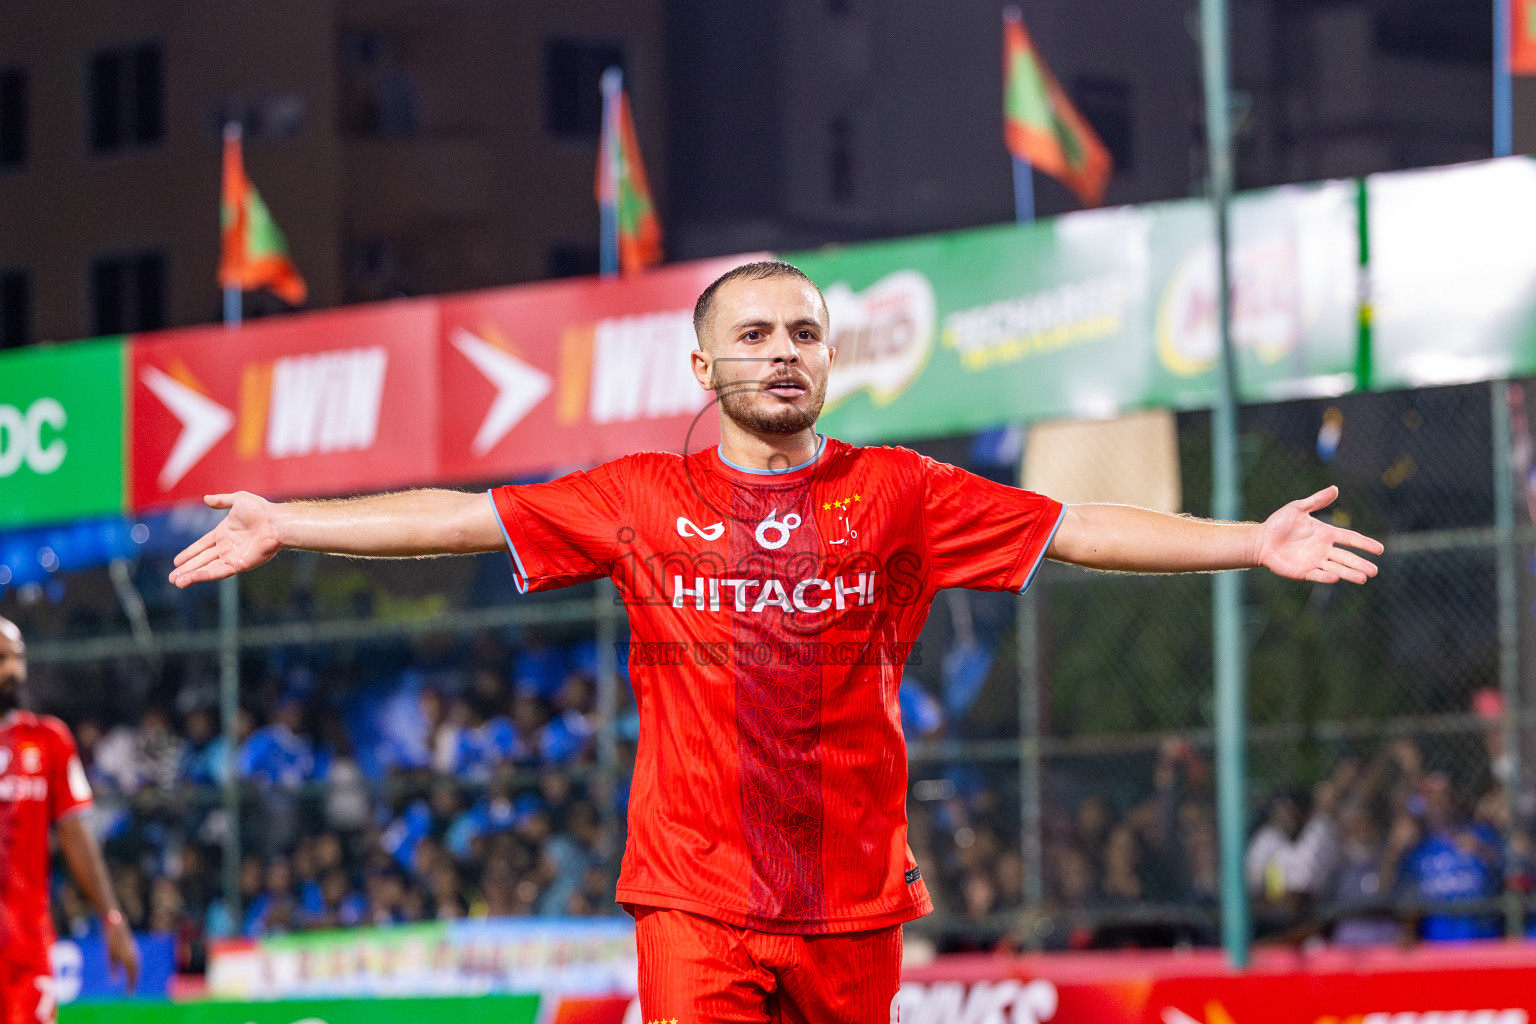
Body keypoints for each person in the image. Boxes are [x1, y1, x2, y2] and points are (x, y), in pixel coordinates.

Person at [168, 260, 1382, 1022]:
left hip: (854, 899)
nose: (783, 351)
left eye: (803, 332)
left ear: (829, 358)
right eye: (754, 335)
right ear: (704, 365)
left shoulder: (898, 490)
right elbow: (461, 518)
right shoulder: (638, 495)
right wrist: (291, 521)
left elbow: (1076, 528)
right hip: (694, 899)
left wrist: (1250, 540)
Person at [0, 616, 140, 1020]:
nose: (14, 669)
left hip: (25, 950)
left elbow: (77, 836)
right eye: (1, 659)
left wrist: (112, 917)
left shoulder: (49, 741)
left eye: (18, 657)